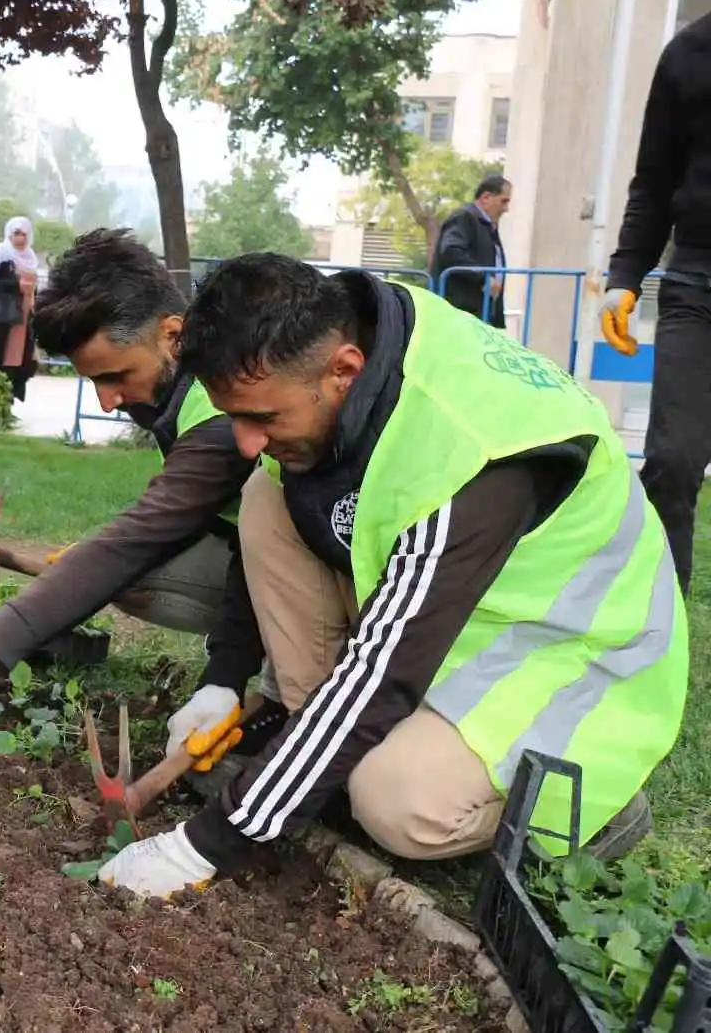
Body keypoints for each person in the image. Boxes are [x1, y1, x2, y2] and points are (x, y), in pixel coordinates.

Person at [92, 253, 686, 899]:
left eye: (261, 418)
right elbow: (273, 527)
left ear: (343, 373)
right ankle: (315, 748)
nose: (244, 441)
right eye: (234, 416)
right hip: (459, 613)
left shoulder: (471, 455)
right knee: (267, 497)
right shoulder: (357, 342)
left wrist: (203, 845)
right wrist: (222, 681)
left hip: (568, 655)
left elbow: (383, 675)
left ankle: (593, 813)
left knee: (394, 800)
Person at [0, 228, 286, 766]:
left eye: (116, 376)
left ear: (174, 335)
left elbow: (137, 542)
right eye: (94, 383)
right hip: (273, 565)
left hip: (360, 591)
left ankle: (292, 698)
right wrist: (224, 673)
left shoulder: (225, 417)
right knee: (112, 569)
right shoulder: (186, 394)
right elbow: (243, 539)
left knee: (115, 565)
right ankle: (267, 686)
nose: (106, 403)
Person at [599, 9, 711, 597]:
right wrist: (624, 277)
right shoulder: (689, 54)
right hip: (698, 284)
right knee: (672, 457)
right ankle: (658, 612)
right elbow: (653, 181)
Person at [429, 174, 512, 328]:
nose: (506, 209)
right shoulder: (465, 218)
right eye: (504, 201)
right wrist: (483, 277)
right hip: (462, 312)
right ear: (486, 197)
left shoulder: (486, 225)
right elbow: (450, 251)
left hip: (479, 313)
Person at [0, 217, 41, 401]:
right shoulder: (2, 252)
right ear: (9, 234)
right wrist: (15, 285)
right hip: (4, 315)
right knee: (0, 354)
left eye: (24, 234)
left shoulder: (30, 255)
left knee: (19, 357)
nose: (20, 238)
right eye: (16, 234)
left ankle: (10, 396)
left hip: (24, 315)